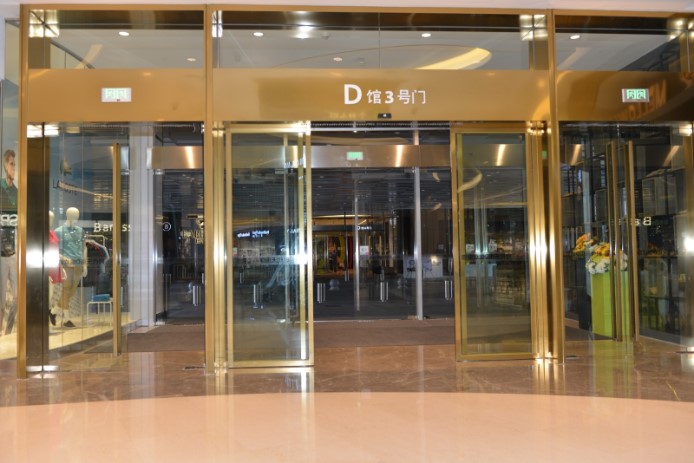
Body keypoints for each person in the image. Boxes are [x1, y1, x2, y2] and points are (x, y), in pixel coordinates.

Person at [54, 207, 87, 328]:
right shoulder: (59, 231)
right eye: (73, 217)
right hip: (66, 265)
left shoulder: (80, 231)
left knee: (71, 292)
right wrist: (62, 258)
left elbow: (84, 248)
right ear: (68, 216)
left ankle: (53, 311)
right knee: (66, 290)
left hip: (78, 264)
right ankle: (66, 319)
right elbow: (53, 250)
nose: (75, 219)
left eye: (77, 217)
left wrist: (85, 264)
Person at [0, 149, 17, 335]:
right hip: (0, 253)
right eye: (11, 164)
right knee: (1, 298)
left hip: (13, 250)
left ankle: (8, 332)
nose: (14, 168)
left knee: (18, 297)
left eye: (15, 164)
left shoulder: (17, 192)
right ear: (5, 165)